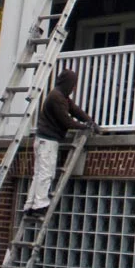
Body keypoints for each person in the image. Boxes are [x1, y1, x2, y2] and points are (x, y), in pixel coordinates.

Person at [23, 69, 99, 217]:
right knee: (46, 173)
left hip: (43, 140)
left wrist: (89, 120)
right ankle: (40, 205)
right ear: (68, 83)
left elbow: (75, 110)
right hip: (48, 141)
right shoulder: (56, 98)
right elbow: (66, 121)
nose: (74, 88)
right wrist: (84, 126)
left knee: (38, 174)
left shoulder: (60, 96)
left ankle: (30, 205)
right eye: (73, 84)